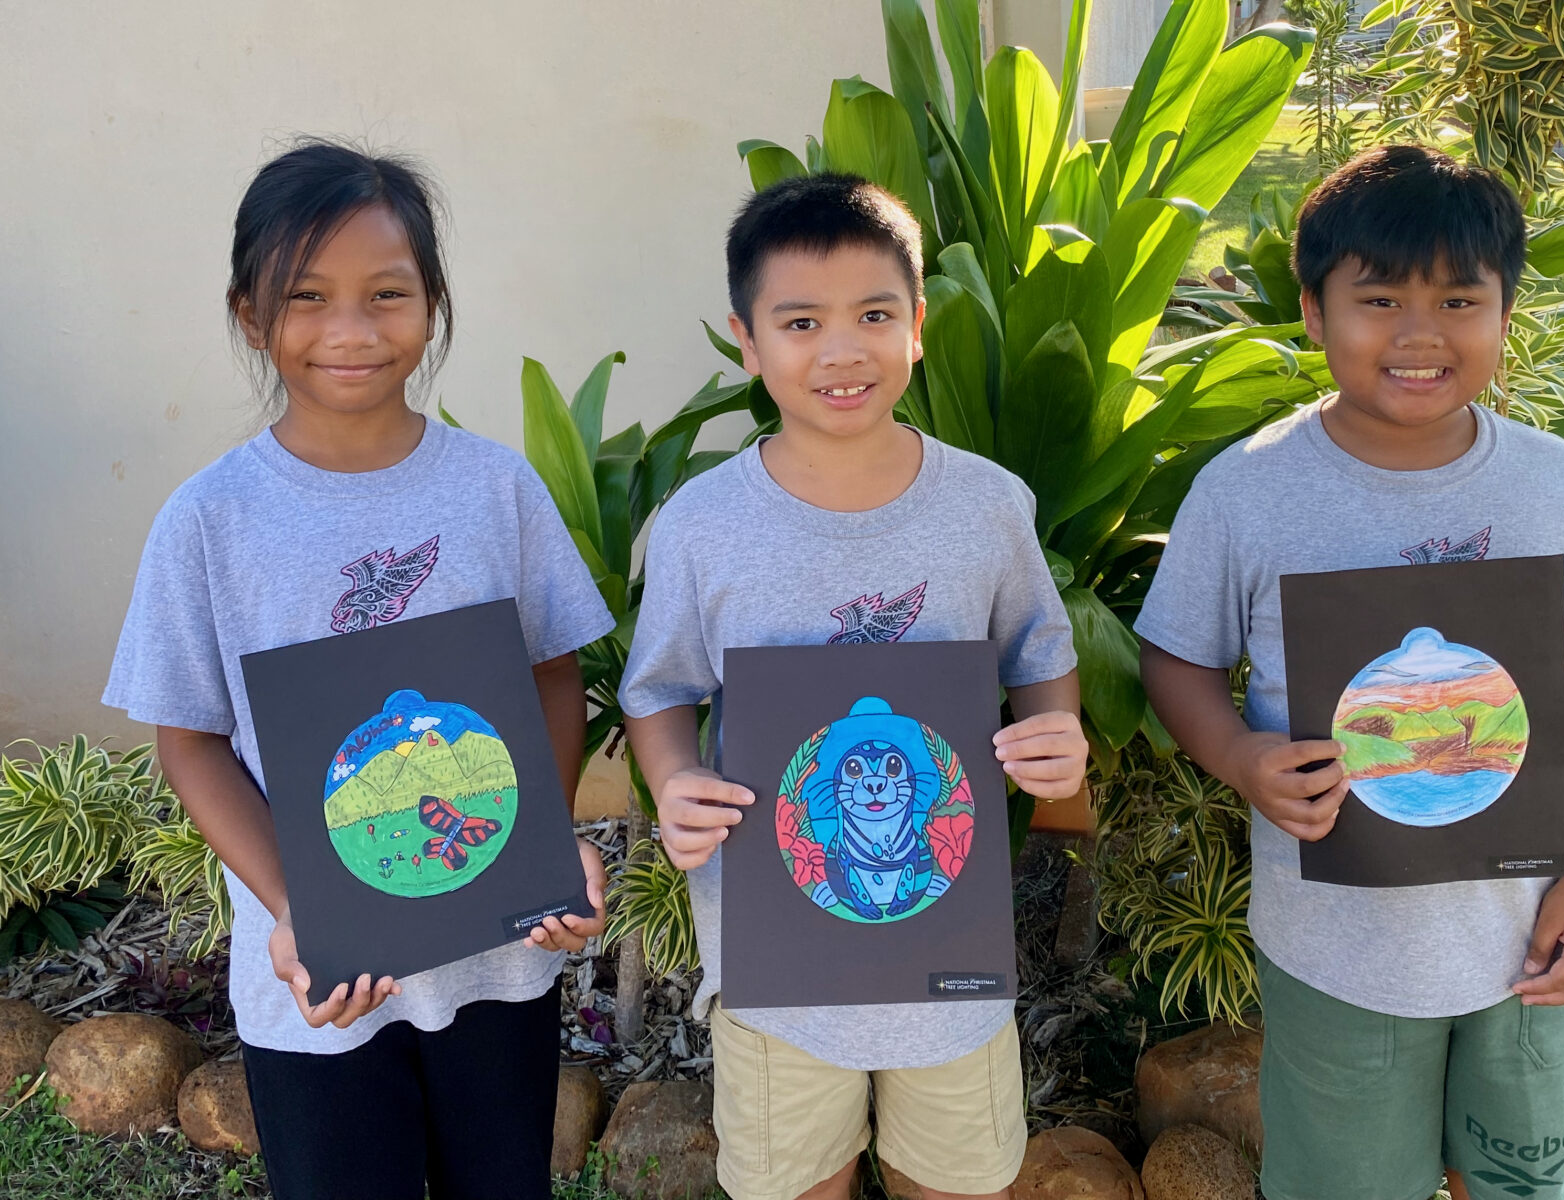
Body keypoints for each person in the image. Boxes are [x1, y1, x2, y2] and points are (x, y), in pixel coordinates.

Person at [1136, 144, 1564, 1200]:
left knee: (1512, 1180)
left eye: (1460, 301)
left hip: (1528, 942)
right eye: (1379, 300)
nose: (1420, 335)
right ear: (1312, 310)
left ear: (1506, 313)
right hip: (1338, 952)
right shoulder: (1248, 492)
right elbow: (1176, 655)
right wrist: (1239, 755)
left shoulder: (1557, 488)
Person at [103, 139, 612, 1200]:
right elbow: (189, 739)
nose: (352, 329)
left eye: (387, 293)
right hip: (320, 984)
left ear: (433, 304)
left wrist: (540, 844)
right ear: (251, 315)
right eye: (307, 296)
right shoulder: (210, 520)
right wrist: (301, 909)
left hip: (496, 962)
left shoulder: (495, 489)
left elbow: (552, 673)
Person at [620, 173, 1087, 1200]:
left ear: (917, 325)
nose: (841, 351)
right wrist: (674, 781)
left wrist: (1055, 732)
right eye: (801, 323)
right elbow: (658, 692)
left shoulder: (987, 506)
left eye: (874, 315)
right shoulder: (704, 525)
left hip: (948, 956)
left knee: (957, 1182)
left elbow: (1038, 654)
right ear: (748, 342)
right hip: (776, 968)